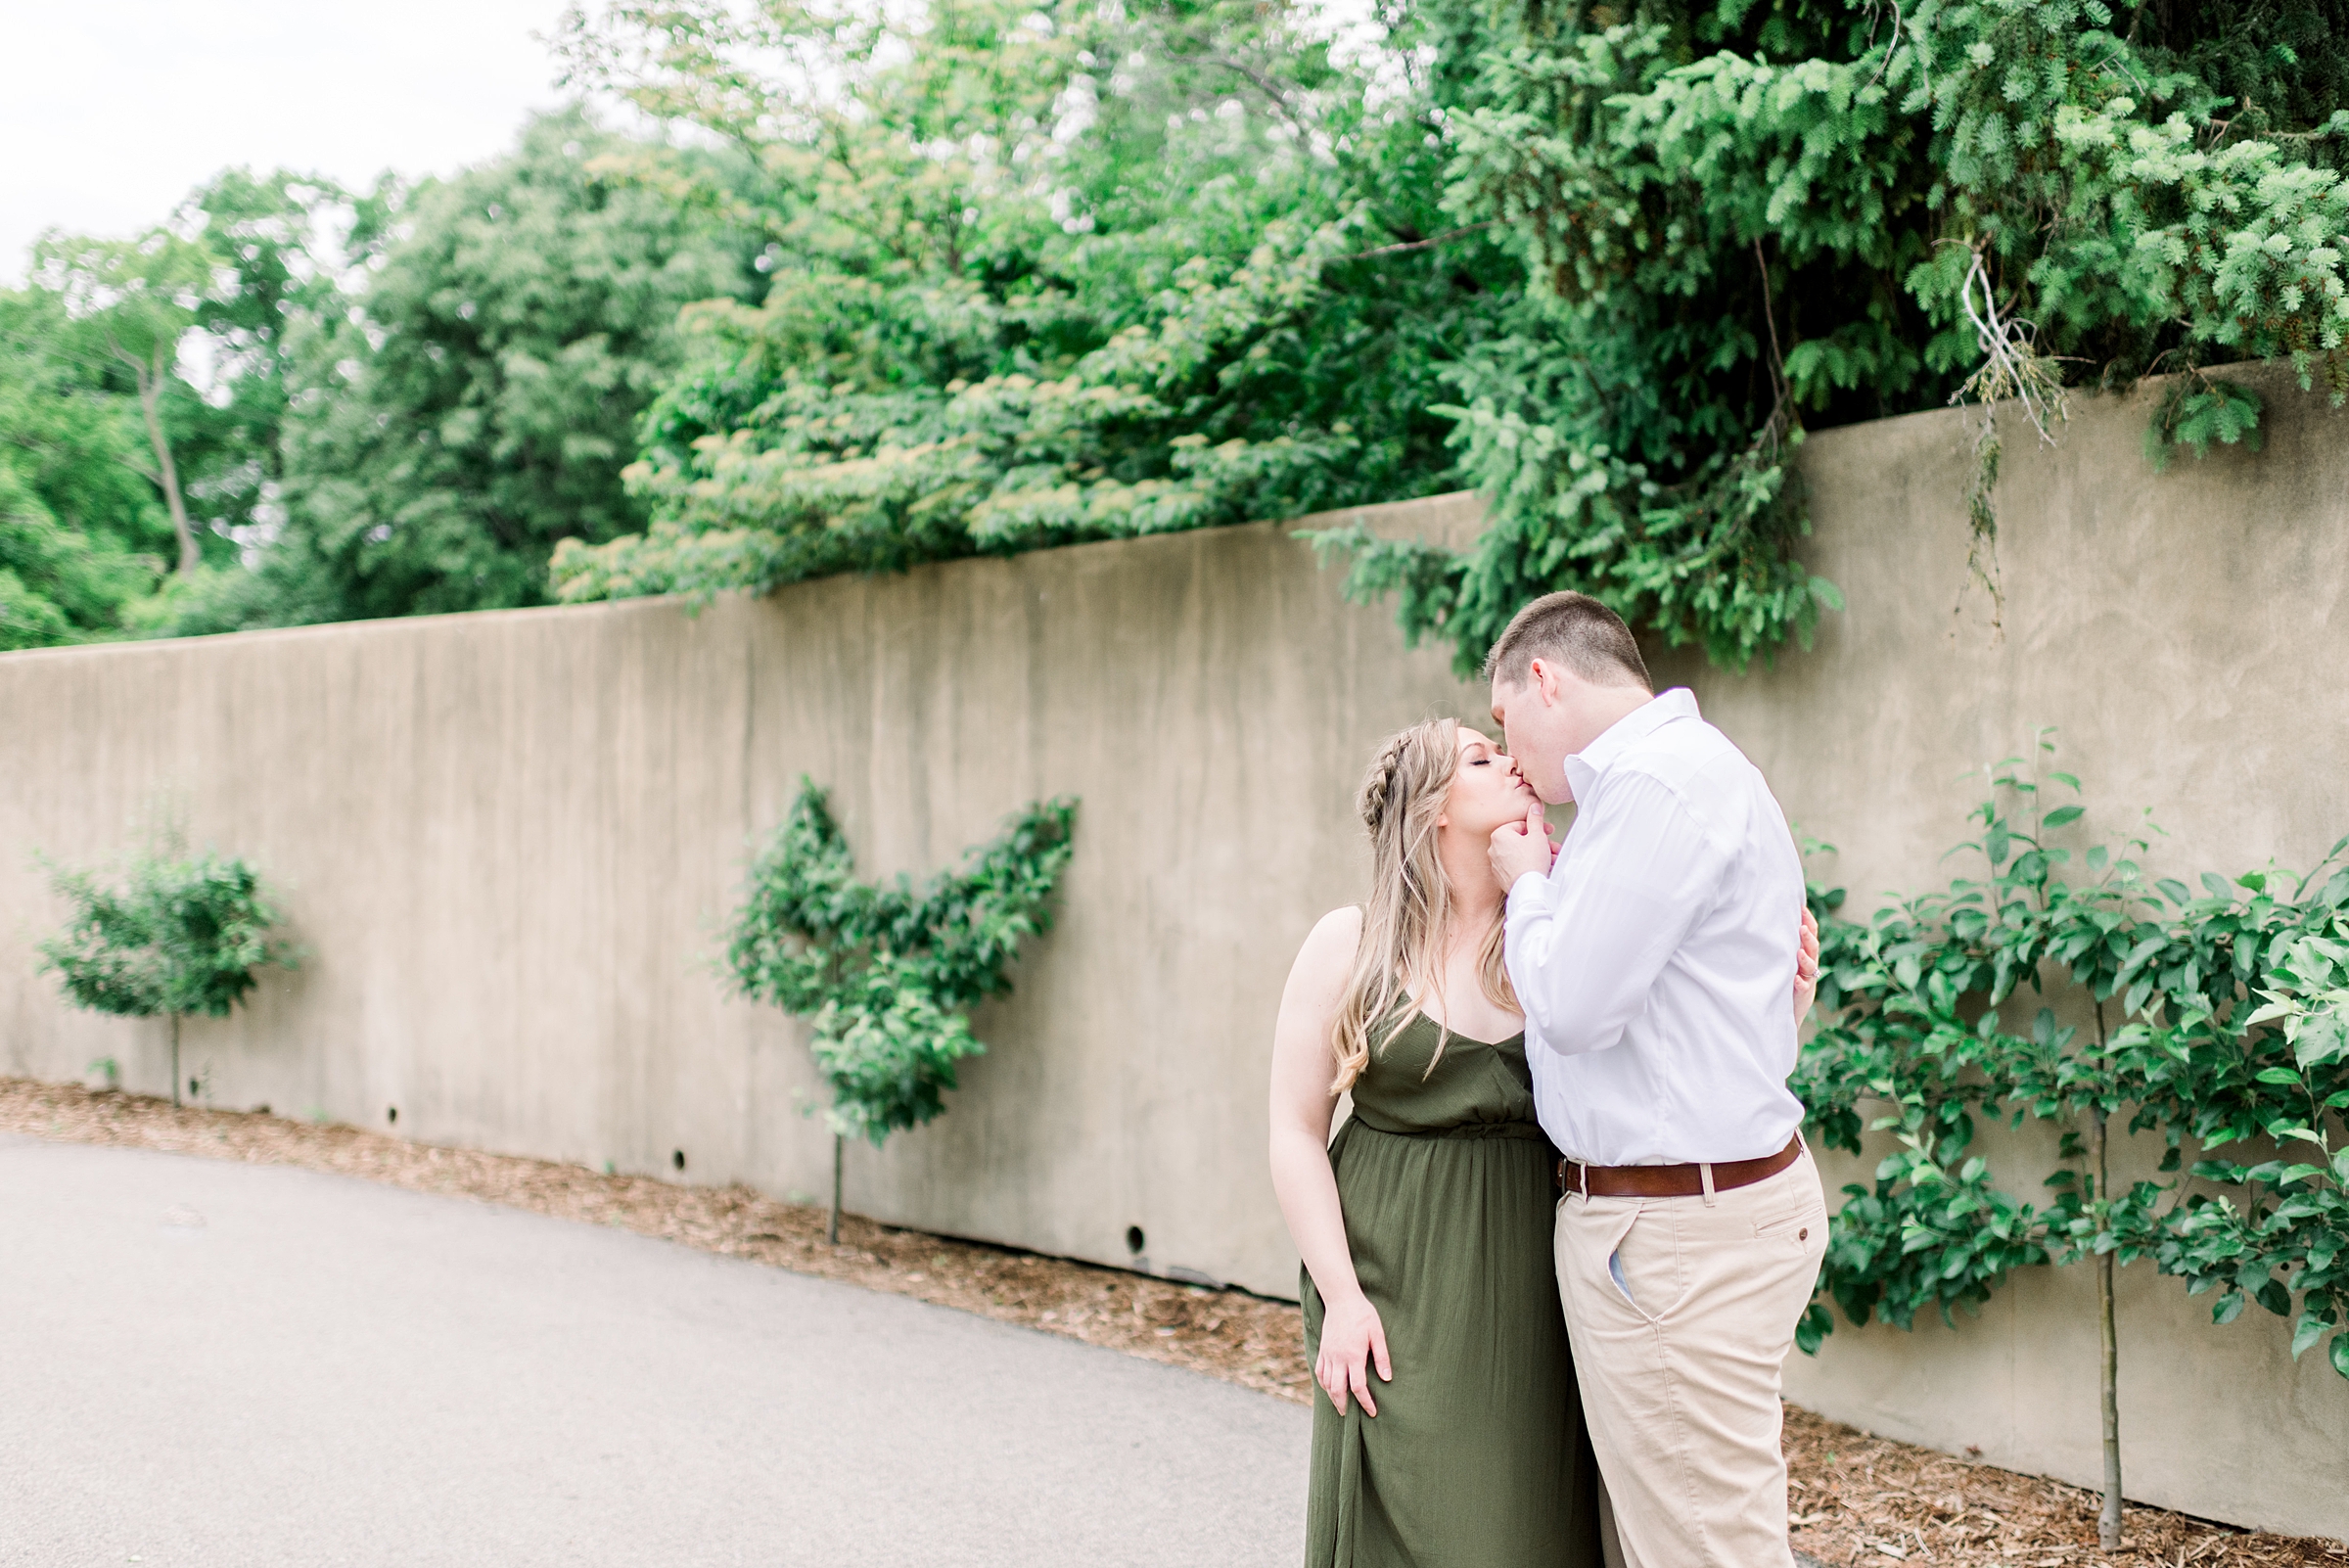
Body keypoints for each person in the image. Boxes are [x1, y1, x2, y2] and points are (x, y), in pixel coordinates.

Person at [1483, 590, 1826, 1568]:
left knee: (1706, 1550)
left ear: (1544, 678)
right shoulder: (1700, 774)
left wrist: (1527, 884)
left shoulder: (1652, 788)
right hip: (1710, 1214)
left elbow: (1579, 1007)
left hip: (1675, 1237)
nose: (1510, 759)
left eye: (1505, 723)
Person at [1268, 717, 1607, 1568]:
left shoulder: (1549, 934)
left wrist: (1784, 1009)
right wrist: (1341, 1297)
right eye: (1480, 758)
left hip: (1532, 1278)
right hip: (1389, 1277)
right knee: (1402, 1517)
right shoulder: (1348, 943)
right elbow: (1294, 1134)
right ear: (1433, 809)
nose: (1513, 765)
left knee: (1521, 1522)